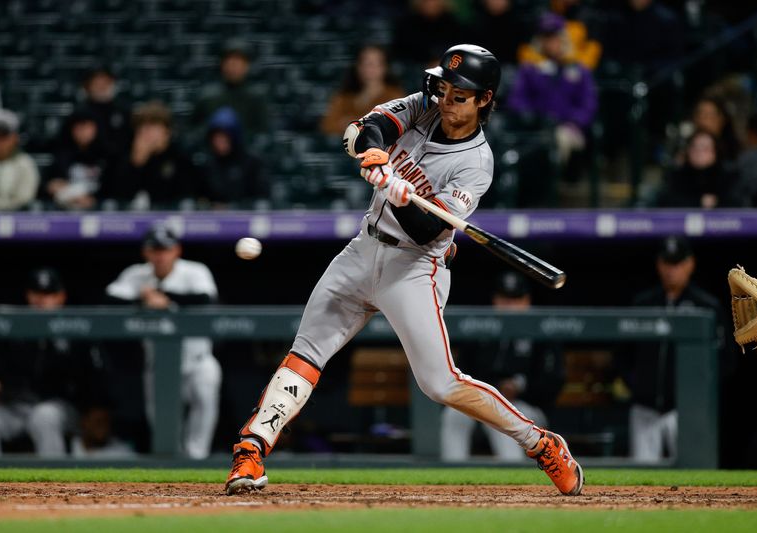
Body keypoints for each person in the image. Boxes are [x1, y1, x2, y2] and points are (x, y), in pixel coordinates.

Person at [225, 44, 583, 497]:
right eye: (444, 89)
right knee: (306, 352)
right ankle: (251, 449)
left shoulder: (476, 163)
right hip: (363, 249)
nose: (446, 101)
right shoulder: (423, 106)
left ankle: (540, 443)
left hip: (415, 267)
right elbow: (369, 128)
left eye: (460, 96)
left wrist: (399, 192)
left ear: (484, 100)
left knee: (440, 383)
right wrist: (376, 156)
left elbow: (430, 230)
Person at [105, 224, 222, 459]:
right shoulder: (137, 275)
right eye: (154, 250)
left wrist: (165, 299)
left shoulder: (194, 271)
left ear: (176, 250)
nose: (160, 255)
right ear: (146, 253)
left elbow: (205, 298)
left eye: (165, 249)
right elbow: (109, 297)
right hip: (159, 365)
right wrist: (142, 298)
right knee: (162, 425)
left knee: (205, 395)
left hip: (198, 361)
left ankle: (197, 459)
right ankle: (171, 469)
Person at [620, 236, 729, 463]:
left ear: (690, 264)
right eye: (667, 263)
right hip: (645, 408)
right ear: (659, 264)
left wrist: (699, 396)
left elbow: (725, 360)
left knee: (694, 471)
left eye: (677, 263)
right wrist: (637, 385)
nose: (672, 270)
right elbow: (622, 354)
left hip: (687, 410)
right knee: (641, 478)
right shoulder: (643, 304)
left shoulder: (706, 306)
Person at [440, 272, 565, 462]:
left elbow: (552, 382)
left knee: (501, 417)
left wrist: (520, 387)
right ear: (495, 299)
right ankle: (452, 475)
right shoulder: (480, 329)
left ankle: (511, 477)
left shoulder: (541, 330)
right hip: (481, 400)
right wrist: (495, 387)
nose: (509, 306)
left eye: (516, 300)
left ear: (527, 300)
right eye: (505, 299)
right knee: (454, 414)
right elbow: (460, 371)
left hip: (528, 406)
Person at [0, 268, 104, 457]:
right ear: (28, 296)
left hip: (59, 407)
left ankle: (53, 483)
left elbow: (91, 376)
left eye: (48, 294)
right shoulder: (14, 329)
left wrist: (91, 408)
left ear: (61, 297)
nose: (42, 301)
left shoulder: (74, 330)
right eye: (37, 294)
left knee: (44, 416)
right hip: (17, 405)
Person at [506, 13, 598, 166]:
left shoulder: (579, 70)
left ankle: (551, 186)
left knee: (557, 140)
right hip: (536, 129)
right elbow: (516, 100)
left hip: (569, 129)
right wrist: (531, 116)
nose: (551, 43)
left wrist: (572, 120)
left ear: (564, 39)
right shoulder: (530, 69)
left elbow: (589, 106)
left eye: (555, 37)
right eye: (546, 38)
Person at [100, 101, 197, 209]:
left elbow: (185, 197)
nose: (145, 131)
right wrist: (136, 163)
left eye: (153, 126)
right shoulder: (123, 154)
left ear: (167, 131)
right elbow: (116, 197)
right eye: (141, 126)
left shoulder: (180, 155)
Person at [320, 45, 406, 136]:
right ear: (358, 67)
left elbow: (400, 125)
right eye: (366, 63)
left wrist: (351, 124)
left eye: (376, 64)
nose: (371, 69)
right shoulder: (344, 96)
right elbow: (327, 125)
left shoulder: (395, 96)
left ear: (385, 67)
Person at [191, 39, 268, 140]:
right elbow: (194, 131)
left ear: (247, 66)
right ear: (222, 64)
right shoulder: (207, 96)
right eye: (230, 61)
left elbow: (264, 133)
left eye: (238, 61)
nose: (234, 66)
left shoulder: (257, 98)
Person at [197, 107, 269, 209]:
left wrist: (232, 207)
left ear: (234, 137)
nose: (219, 142)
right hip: (214, 220)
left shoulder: (252, 162)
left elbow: (262, 200)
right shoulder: (208, 164)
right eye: (216, 138)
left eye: (224, 138)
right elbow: (201, 198)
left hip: (245, 218)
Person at [43, 106, 110, 210]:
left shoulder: (108, 155)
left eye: (87, 126)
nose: (83, 131)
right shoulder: (62, 154)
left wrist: (93, 199)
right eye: (78, 127)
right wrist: (54, 186)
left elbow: (116, 187)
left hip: (103, 210)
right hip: (68, 208)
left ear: (96, 128)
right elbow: (49, 184)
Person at [654, 129, 736, 208]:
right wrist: (698, 202)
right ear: (688, 151)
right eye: (694, 147)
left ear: (715, 152)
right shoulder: (675, 176)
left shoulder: (728, 177)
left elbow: (736, 204)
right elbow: (665, 202)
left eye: (705, 148)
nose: (699, 153)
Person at [0, 109, 39, 211]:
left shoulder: (24, 163)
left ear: (15, 139)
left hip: (18, 220)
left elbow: (24, 199)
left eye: (4, 137)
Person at [76, 66, 131, 156]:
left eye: (105, 82)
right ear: (88, 86)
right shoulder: (79, 113)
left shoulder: (123, 111)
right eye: (97, 82)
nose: (101, 86)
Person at [392, 0, 465, 64]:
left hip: (450, 70)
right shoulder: (405, 26)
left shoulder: (456, 26)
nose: (430, 3)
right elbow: (401, 55)